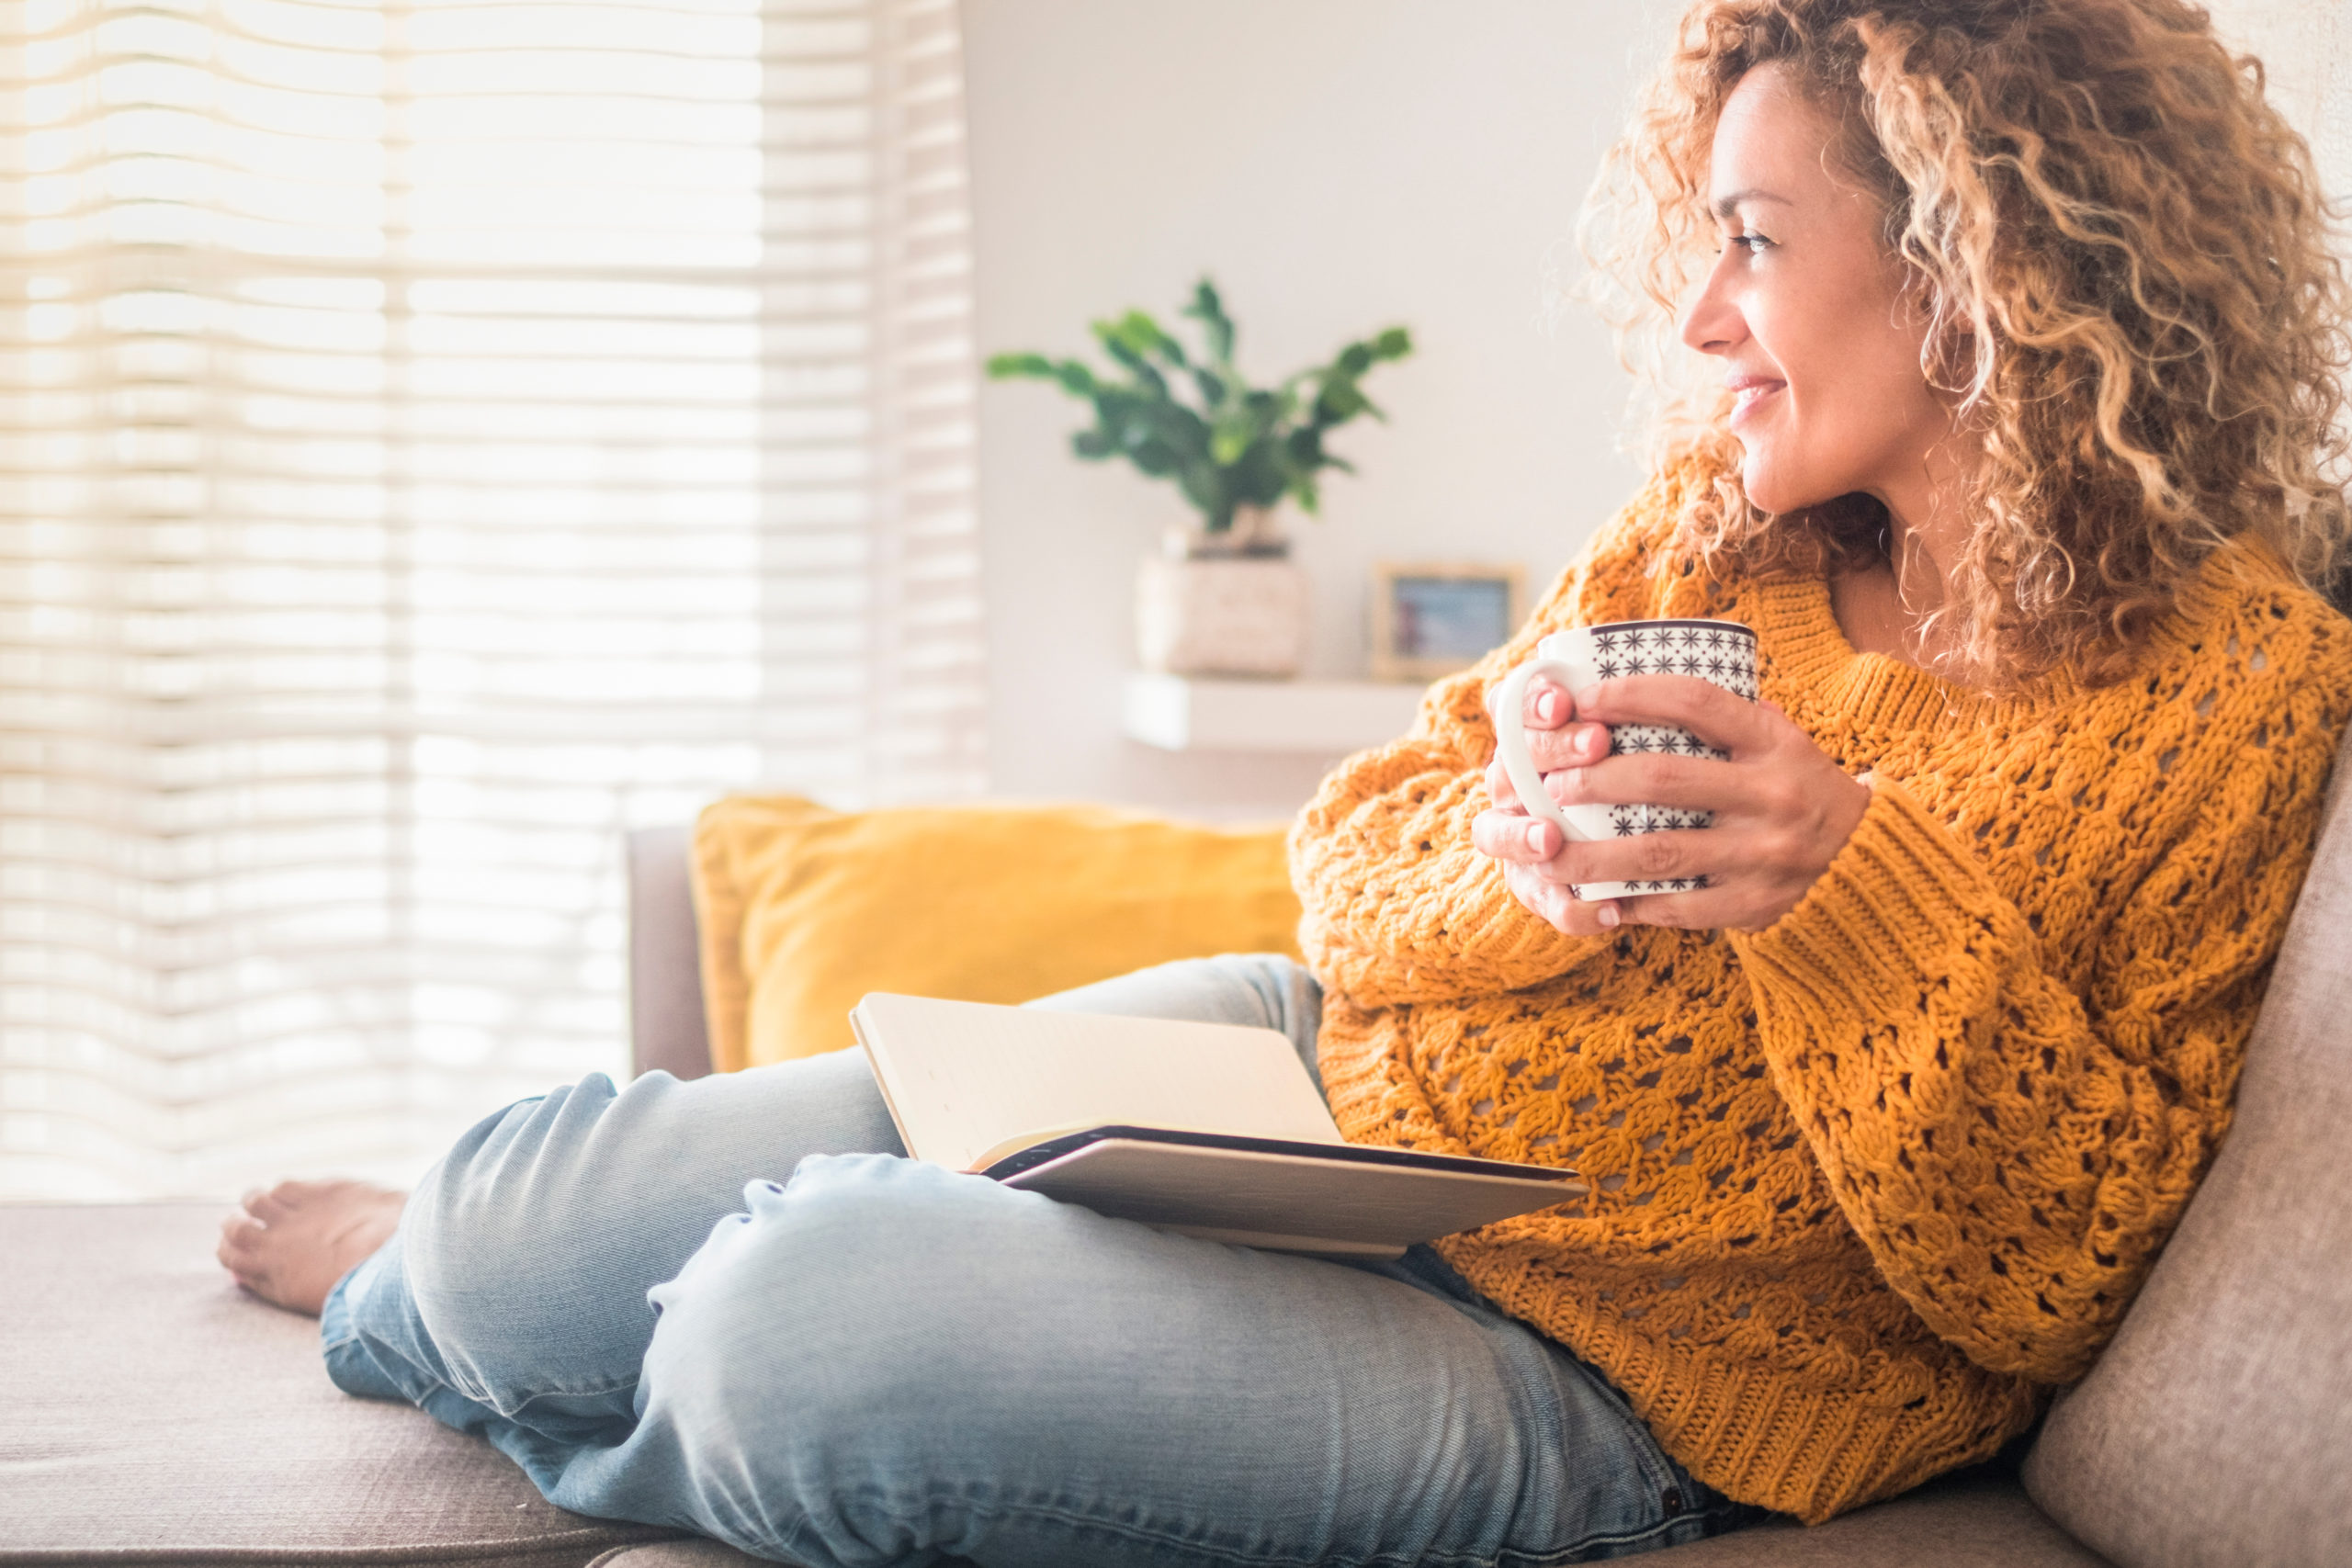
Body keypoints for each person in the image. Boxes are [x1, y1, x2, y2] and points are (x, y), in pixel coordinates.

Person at [220, 1, 2352, 1562]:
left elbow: (2059, 1278)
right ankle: (465, 1296)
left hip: (1613, 1368)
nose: (1699, 312)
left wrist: (1841, 889)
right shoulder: (1718, 537)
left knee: (801, 1327)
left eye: (1754, 240)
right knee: (513, 1219)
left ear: (1982, 270)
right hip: (1310, 1087)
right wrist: (1524, 865)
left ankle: (663, 1339)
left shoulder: (2237, 692)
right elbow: (1344, 866)